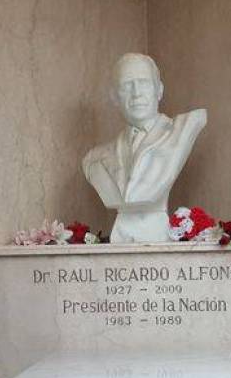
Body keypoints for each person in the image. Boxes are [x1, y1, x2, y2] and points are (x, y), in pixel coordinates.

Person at [82, 53, 207, 243]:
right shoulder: (94, 159)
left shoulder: (184, 128)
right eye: (127, 85)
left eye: (144, 83)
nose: (136, 93)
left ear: (159, 90)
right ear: (114, 97)